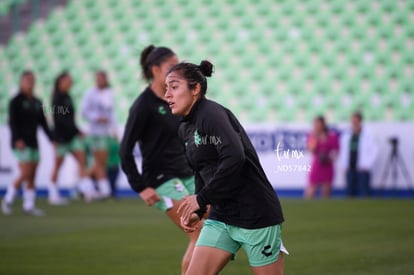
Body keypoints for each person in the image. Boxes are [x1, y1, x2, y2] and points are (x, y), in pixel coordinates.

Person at [165, 60, 287, 275]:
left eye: (174, 87)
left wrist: (201, 199)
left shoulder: (210, 114)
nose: (167, 94)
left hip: (255, 214)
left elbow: (234, 158)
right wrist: (200, 210)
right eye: (166, 88)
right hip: (221, 216)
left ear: (196, 89)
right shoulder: (184, 128)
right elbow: (201, 170)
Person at [119, 45, 199, 274]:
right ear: (155, 70)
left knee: (212, 230)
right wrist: (141, 187)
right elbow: (125, 150)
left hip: (187, 173)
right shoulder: (143, 106)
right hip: (161, 179)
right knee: (199, 233)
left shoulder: (177, 98)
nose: (177, 69)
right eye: (170, 66)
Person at [2, 71, 54, 216]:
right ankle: (8, 199)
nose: (30, 83)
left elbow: (43, 123)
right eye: (27, 80)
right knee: (25, 172)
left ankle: (29, 205)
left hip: (33, 142)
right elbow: (12, 122)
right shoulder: (16, 101)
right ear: (21, 82)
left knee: (32, 174)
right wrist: (17, 139)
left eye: (32, 80)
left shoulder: (37, 102)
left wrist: (51, 139)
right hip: (21, 143)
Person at [50, 72, 98, 204]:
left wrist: (76, 131)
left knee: (82, 161)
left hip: (72, 137)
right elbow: (59, 120)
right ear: (60, 82)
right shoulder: (57, 98)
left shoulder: (68, 97)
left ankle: (88, 191)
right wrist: (76, 131)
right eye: (67, 80)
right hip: (61, 138)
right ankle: (53, 194)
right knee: (57, 165)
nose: (70, 82)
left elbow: (69, 119)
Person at [80, 71, 117, 199]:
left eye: (102, 78)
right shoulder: (90, 93)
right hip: (95, 132)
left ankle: (100, 189)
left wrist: (114, 129)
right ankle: (86, 184)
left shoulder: (109, 93)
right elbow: (83, 112)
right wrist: (96, 118)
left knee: (100, 162)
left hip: (105, 132)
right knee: (100, 161)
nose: (100, 81)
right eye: (98, 79)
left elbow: (111, 113)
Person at [339, 111, 378, 197]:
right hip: (350, 167)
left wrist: (367, 164)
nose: (354, 123)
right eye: (353, 121)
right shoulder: (347, 134)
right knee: (350, 192)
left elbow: (374, 150)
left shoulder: (368, 134)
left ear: (360, 121)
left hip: (363, 168)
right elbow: (343, 151)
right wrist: (344, 165)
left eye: (356, 121)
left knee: (365, 191)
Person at [305, 116, 339, 199]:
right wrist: (315, 137)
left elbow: (336, 151)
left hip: (327, 165)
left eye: (318, 124)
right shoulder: (312, 136)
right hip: (317, 165)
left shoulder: (332, 137)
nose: (316, 126)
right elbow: (311, 149)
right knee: (310, 190)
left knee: (326, 191)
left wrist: (329, 157)